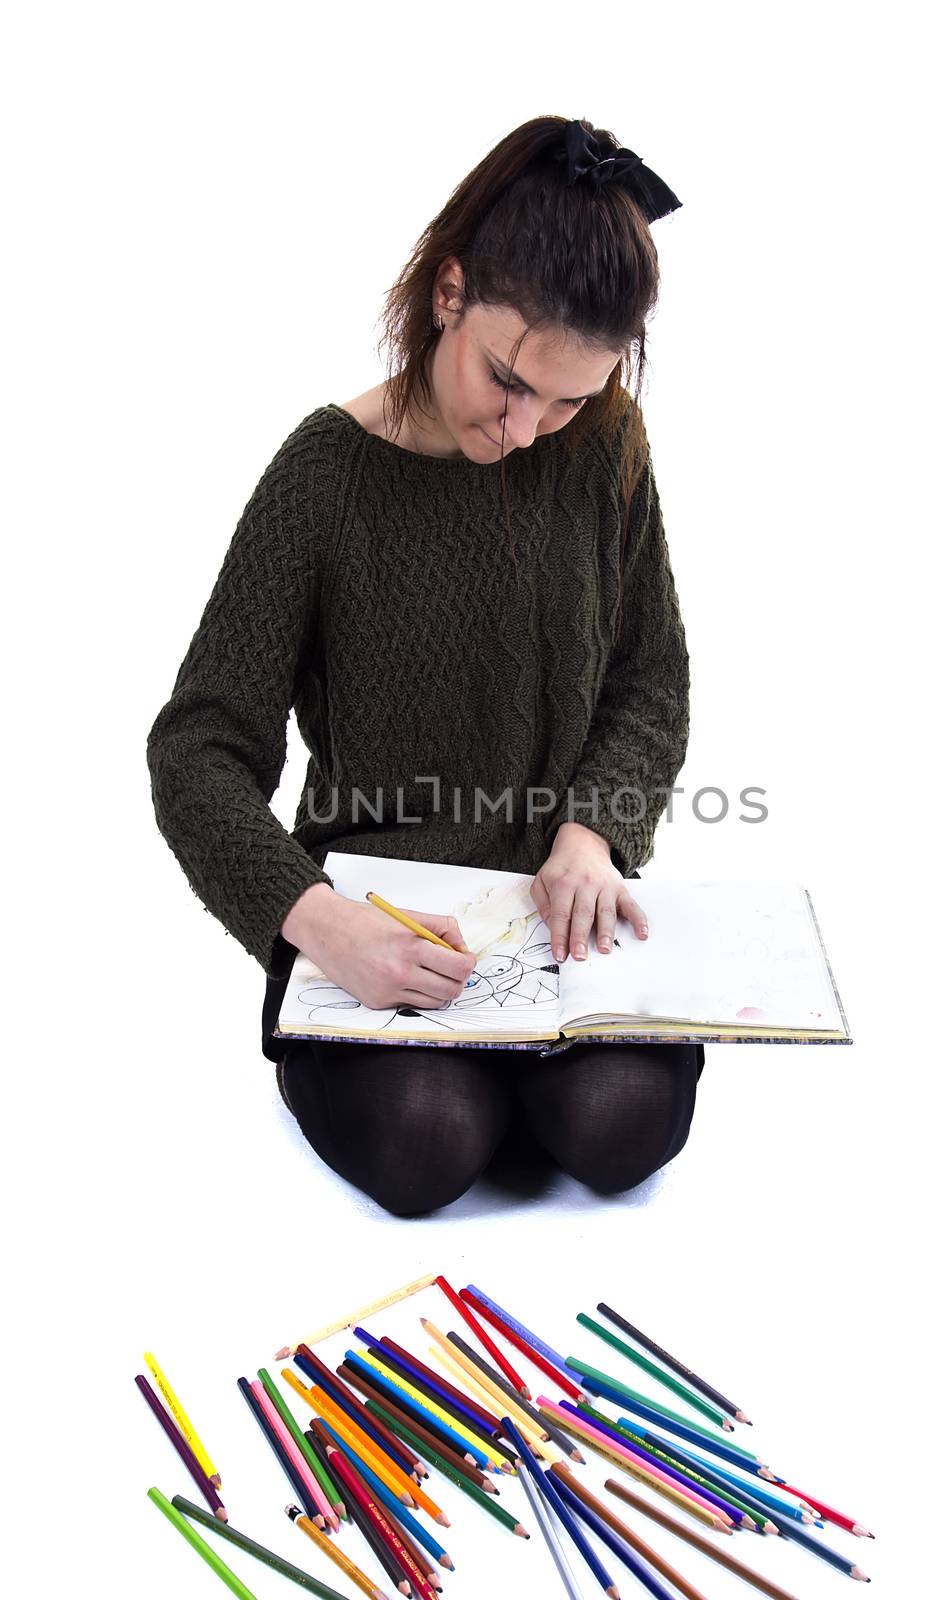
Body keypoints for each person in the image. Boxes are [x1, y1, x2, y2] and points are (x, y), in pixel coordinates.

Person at [146, 115, 703, 1215]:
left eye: (568, 398)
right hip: (381, 908)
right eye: (506, 380)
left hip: (555, 918)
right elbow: (199, 748)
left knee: (624, 1124)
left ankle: (515, 1077)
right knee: (425, 1141)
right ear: (448, 292)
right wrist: (315, 919)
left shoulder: (605, 449)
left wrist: (592, 832)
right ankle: (451, 1081)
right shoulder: (325, 476)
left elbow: (650, 680)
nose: (527, 427)